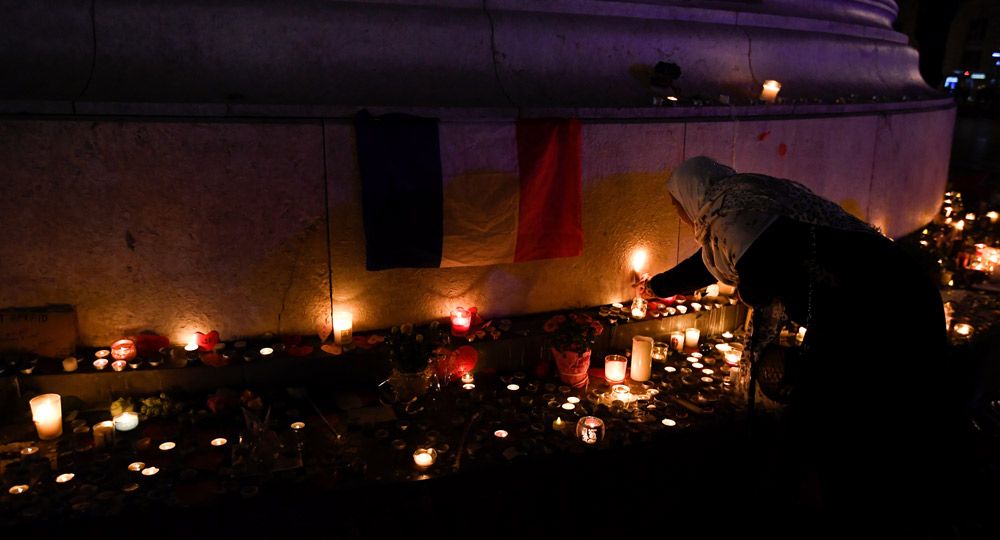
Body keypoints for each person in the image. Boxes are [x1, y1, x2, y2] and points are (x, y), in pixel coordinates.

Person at [640, 156, 959, 533]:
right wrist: (656, 287)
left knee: (846, 413)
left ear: (689, 197)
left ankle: (834, 507)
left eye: (676, 206)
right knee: (858, 410)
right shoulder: (740, 203)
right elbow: (707, 265)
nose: (679, 214)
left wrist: (745, 290)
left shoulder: (732, 220)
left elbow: (759, 281)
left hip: (876, 315)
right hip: (893, 294)